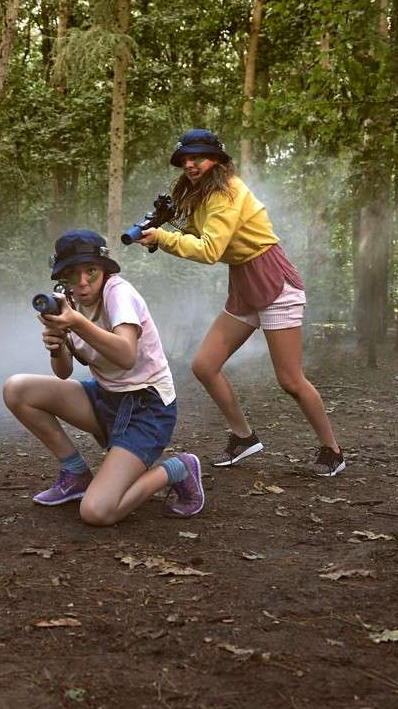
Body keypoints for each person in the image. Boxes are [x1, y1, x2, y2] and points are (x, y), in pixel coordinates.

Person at [138, 129, 346, 477]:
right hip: (245, 284)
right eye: (185, 159)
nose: (190, 164)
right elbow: (197, 235)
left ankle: (332, 450)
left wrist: (163, 237)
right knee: (204, 365)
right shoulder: (202, 194)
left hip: (273, 282)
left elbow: (209, 250)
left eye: (198, 157)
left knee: (290, 380)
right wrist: (160, 232)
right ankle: (243, 436)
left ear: (216, 159)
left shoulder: (228, 193)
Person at [3, 229, 204, 525]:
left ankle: (178, 468)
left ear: (104, 270)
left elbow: (125, 355)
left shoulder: (118, 293)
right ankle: (75, 474)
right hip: (106, 398)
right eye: (73, 275)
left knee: (97, 511)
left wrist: (77, 324)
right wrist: (56, 344)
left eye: (91, 272)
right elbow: (63, 373)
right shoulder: (69, 305)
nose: (83, 283)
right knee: (16, 389)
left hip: (146, 408)